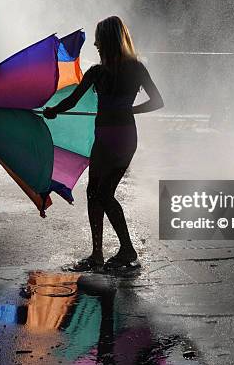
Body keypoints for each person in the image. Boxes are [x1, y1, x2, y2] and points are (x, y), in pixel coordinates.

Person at [43, 16, 164, 271]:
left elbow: (72, 101)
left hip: (108, 138)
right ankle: (102, 253)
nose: (95, 44)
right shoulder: (136, 69)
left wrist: (53, 110)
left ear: (108, 41)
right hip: (124, 137)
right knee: (97, 192)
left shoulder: (98, 72)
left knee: (101, 193)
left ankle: (121, 251)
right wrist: (129, 110)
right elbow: (157, 102)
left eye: (99, 39)